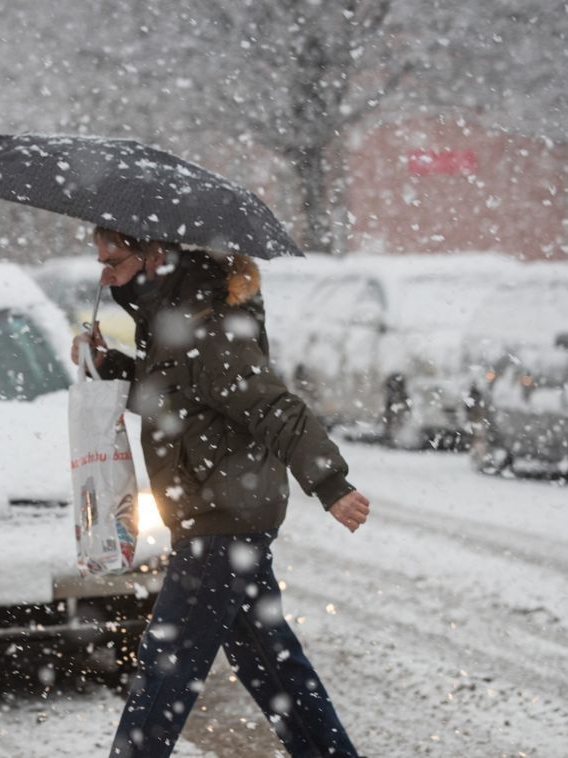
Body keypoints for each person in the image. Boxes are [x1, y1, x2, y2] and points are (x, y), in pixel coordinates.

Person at [73, 226, 370, 757]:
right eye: (102, 260)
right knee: (270, 666)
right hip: (216, 512)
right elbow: (173, 397)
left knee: (166, 666)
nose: (105, 273)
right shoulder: (171, 319)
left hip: (223, 515)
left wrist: (330, 485)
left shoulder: (207, 327)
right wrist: (111, 364)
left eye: (113, 259)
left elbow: (275, 406)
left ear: (154, 255)